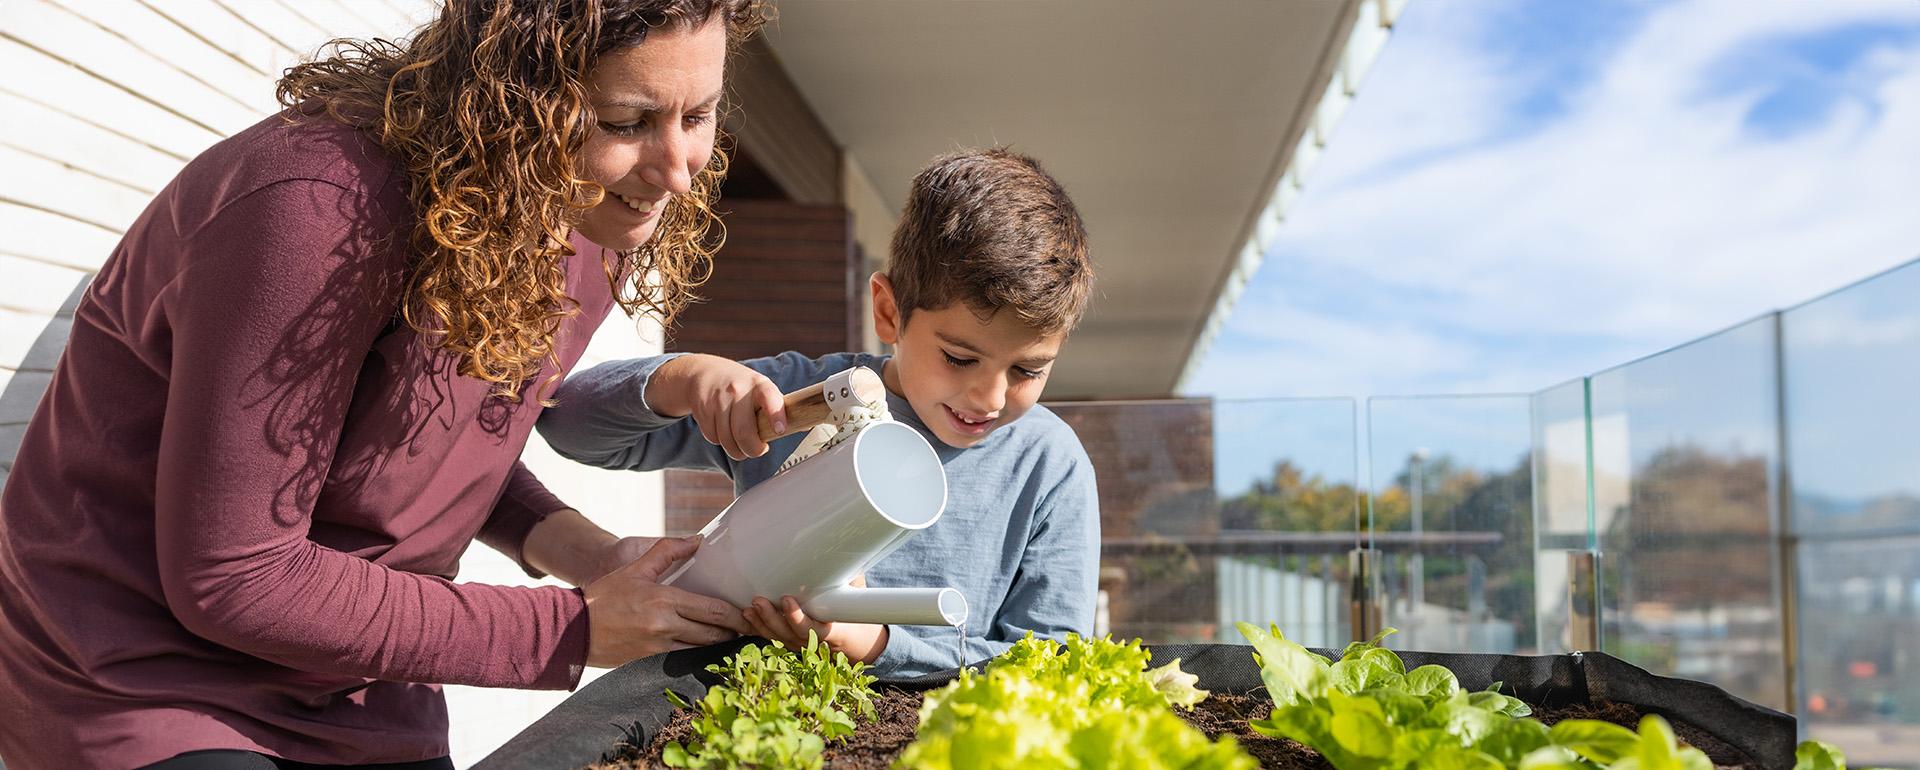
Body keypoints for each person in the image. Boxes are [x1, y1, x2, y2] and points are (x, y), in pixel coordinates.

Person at [0, 1, 770, 767]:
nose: (677, 169)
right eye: (625, 122)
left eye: (697, 114)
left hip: (356, 685)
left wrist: (597, 557)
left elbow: (434, 444)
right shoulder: (316, 207)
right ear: (515, 99)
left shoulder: (579, 212)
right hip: (140, 676)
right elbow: (234, 575)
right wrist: (571, 629)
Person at [536, 148, 1100, 678]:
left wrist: (877, 645)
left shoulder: (1049, 464)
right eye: (959, 358)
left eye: (1027, 371)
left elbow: (1053, 664)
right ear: (888, 311)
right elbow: (566, 425)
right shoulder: (805, 397)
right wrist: (681, 380)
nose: (991, 398)